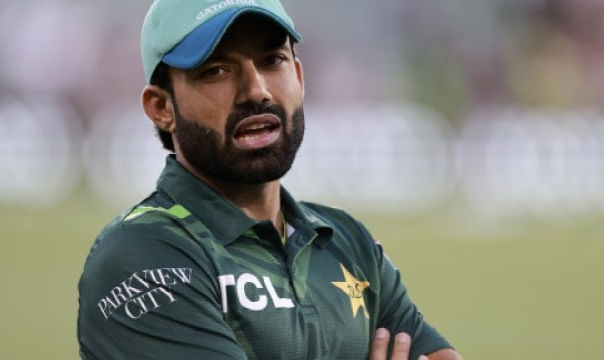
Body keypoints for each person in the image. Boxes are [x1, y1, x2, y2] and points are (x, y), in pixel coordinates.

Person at [77, 1, 463, 359]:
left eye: (272, 60)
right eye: (216, 70)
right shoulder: (142, 255)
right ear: (161, 107)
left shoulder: (347, 241)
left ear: (298, 75)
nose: (256, 91)